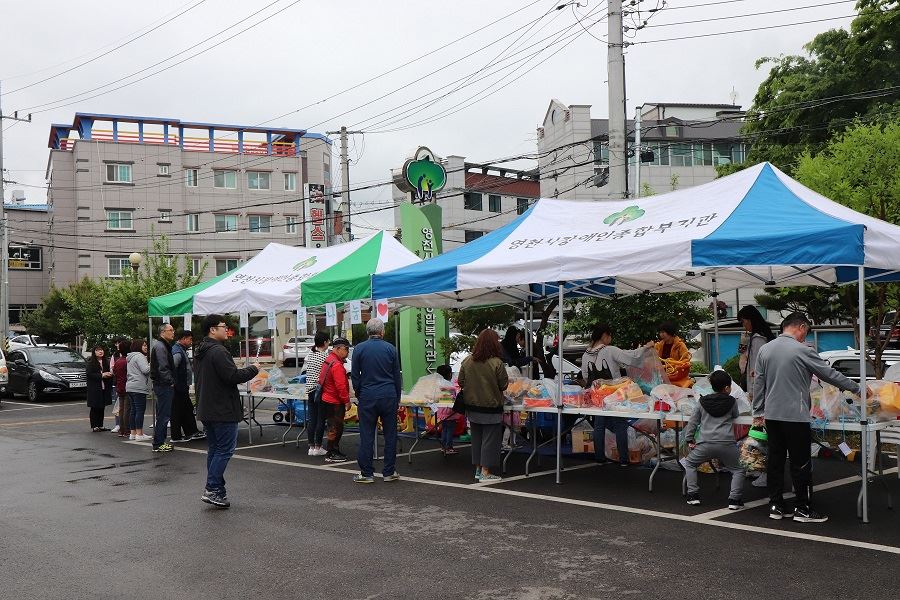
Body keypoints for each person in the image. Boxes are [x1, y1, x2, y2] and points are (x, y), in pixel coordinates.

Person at [752, 312, 864, 524]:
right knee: (800, 463)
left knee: (775, 461)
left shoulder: (765, 350)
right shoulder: (803, 350)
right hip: (795, 416)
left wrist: (758, 412)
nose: (806, 336)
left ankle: (776, 505)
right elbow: (828, 374)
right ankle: (802, 508)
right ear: (801, 327)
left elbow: (759, 383)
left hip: (772, 416)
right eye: (806, 332)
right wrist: (856, 388)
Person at [195, 314, 259, 509]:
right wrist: (253, 369)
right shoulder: (218, 351)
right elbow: (232, 376)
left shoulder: (201, 350)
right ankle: (213, 488)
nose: (227, 330)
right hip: (222, 409)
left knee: (215, 450)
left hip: (208, 407)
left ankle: (217, 490)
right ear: (212, 329)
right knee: (224, 450)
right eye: (223, 326)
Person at [581, 323, 653, 466]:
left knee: (599, 425)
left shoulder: (585, 355)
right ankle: (624, 460)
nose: (611, 338)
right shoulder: (610, 350)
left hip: (597, 396)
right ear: (604, 335)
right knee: (620, 424)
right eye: (610, 335)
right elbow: (630, 356)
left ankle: (600, 457)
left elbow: (585, 376)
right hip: (614, 395)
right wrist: (646, 348)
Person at [683, 370, 746, 509]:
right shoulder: (731, 402)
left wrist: (689, 439)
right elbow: (736, 415)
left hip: (705, 443)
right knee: (738, 469)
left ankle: (693, 495)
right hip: (727, 444)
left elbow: (693, 422)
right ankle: (734, 500)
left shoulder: (702, 401)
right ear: (727, 388)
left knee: (690, 464)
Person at [351, 318, 403, 483]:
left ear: (368, 332)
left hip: (367, 396)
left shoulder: (359, 349)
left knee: (366, 434)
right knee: (390, 434)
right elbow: (397, 376)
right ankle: (389, 471)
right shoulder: (391, 348)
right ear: (382, 332)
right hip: (388, 395)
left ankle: (366, 473)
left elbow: (355, 376)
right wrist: (397, 397)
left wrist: (360, 393)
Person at [458, 329, 509, 482]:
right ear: (494, 343)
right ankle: (486, 472)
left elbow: (461, 382)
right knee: (490, 440)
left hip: (472, 406)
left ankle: (478, 469)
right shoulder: (497, 363)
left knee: (477, 439)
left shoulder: (467, 361)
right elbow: (504, 385)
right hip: (491, 406)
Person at [736, 305, 776, 488]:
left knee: (761, 435)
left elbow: (757, 370)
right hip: (760, 392)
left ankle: (766, 473)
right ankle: (758, 467)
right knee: (759, 435)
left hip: (761, 394)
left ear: (750, 319)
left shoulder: (759, 339)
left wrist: (754, 393)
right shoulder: (755, 337)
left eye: (744, 321)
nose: (744, 325)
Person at [320, 338, 352, 463]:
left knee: (333, 427)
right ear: (338, 349)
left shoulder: (329, 360)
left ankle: (334, 450)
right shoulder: (337, 365)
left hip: (327, 399)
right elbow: (341, 386)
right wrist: (347, 401)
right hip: (334, 401)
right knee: (335, 428)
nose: (347, 352)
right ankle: (331, 452)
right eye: (346, 349)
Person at [171, 330, 204, 443]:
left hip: (180, 386)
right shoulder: (177, 351)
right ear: (183, 338)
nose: (191, 341)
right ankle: (179, 435)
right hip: (179, 386)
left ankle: (190, 431)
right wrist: (173, 381)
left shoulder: (179, 350)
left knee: (185, 409)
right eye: (190, 339)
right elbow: (172, 367)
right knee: (178, 410)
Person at [149, 323, 177, 453]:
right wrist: (170, 381)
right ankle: (159, 443)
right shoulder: (160, 347)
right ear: (162, 332)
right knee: (163, 415)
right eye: (170, 330)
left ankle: (160, 442)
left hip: (162, 384)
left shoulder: (162, 345)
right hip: (163, 385)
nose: (173, 332)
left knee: (163, 414)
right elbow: (162, 367)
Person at [304, 331, 330, 457]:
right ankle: (318, 446)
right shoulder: (324, 357)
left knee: (312, 419)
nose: (329, 343)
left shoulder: (311, 355)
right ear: (324, 342)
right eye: (328, 341)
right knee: (320, 419)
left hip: (310, 390)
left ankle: (311, 447)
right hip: (319, 391)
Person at [126, 339, 152, 442]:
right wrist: (152, 364)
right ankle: (139, 434)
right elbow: (145, 370)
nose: (146, 347)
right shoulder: (140, 356)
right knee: (140, 411)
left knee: (133, 410)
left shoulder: (130, 357)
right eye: (144, 345)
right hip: (139, 387)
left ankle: (133, 433)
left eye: (146, 345)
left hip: (130, 386)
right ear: (138, 346)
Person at [86, 345, 114, 432]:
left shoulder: (106, 361)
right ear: (94, 352)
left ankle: (100, 425)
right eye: (98, 350)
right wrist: (102, 375)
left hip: (104, 387)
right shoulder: (91, 362)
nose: (100, 352)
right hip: (94, 388)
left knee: (102, 406)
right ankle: (94, 426)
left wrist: (110, 374)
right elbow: (90, 374)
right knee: (95, 407)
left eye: (101, 350)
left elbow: (110, 372)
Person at [435, 364, 461, 455]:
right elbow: (453, 397)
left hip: (441, 410)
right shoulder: (450, 385)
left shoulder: (438, 383)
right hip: (449, 410)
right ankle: (449, 447)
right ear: (449, 374)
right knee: (450, 429)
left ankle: (443, 447)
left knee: (444, 429)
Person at [113, 340, 130, 438]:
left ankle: (122, 430)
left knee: (121, 409)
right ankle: (127, 430)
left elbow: (115, 373)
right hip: (127, 387)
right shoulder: (127, 361)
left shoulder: (118, 361)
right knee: (127, 409)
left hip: (119, 387)